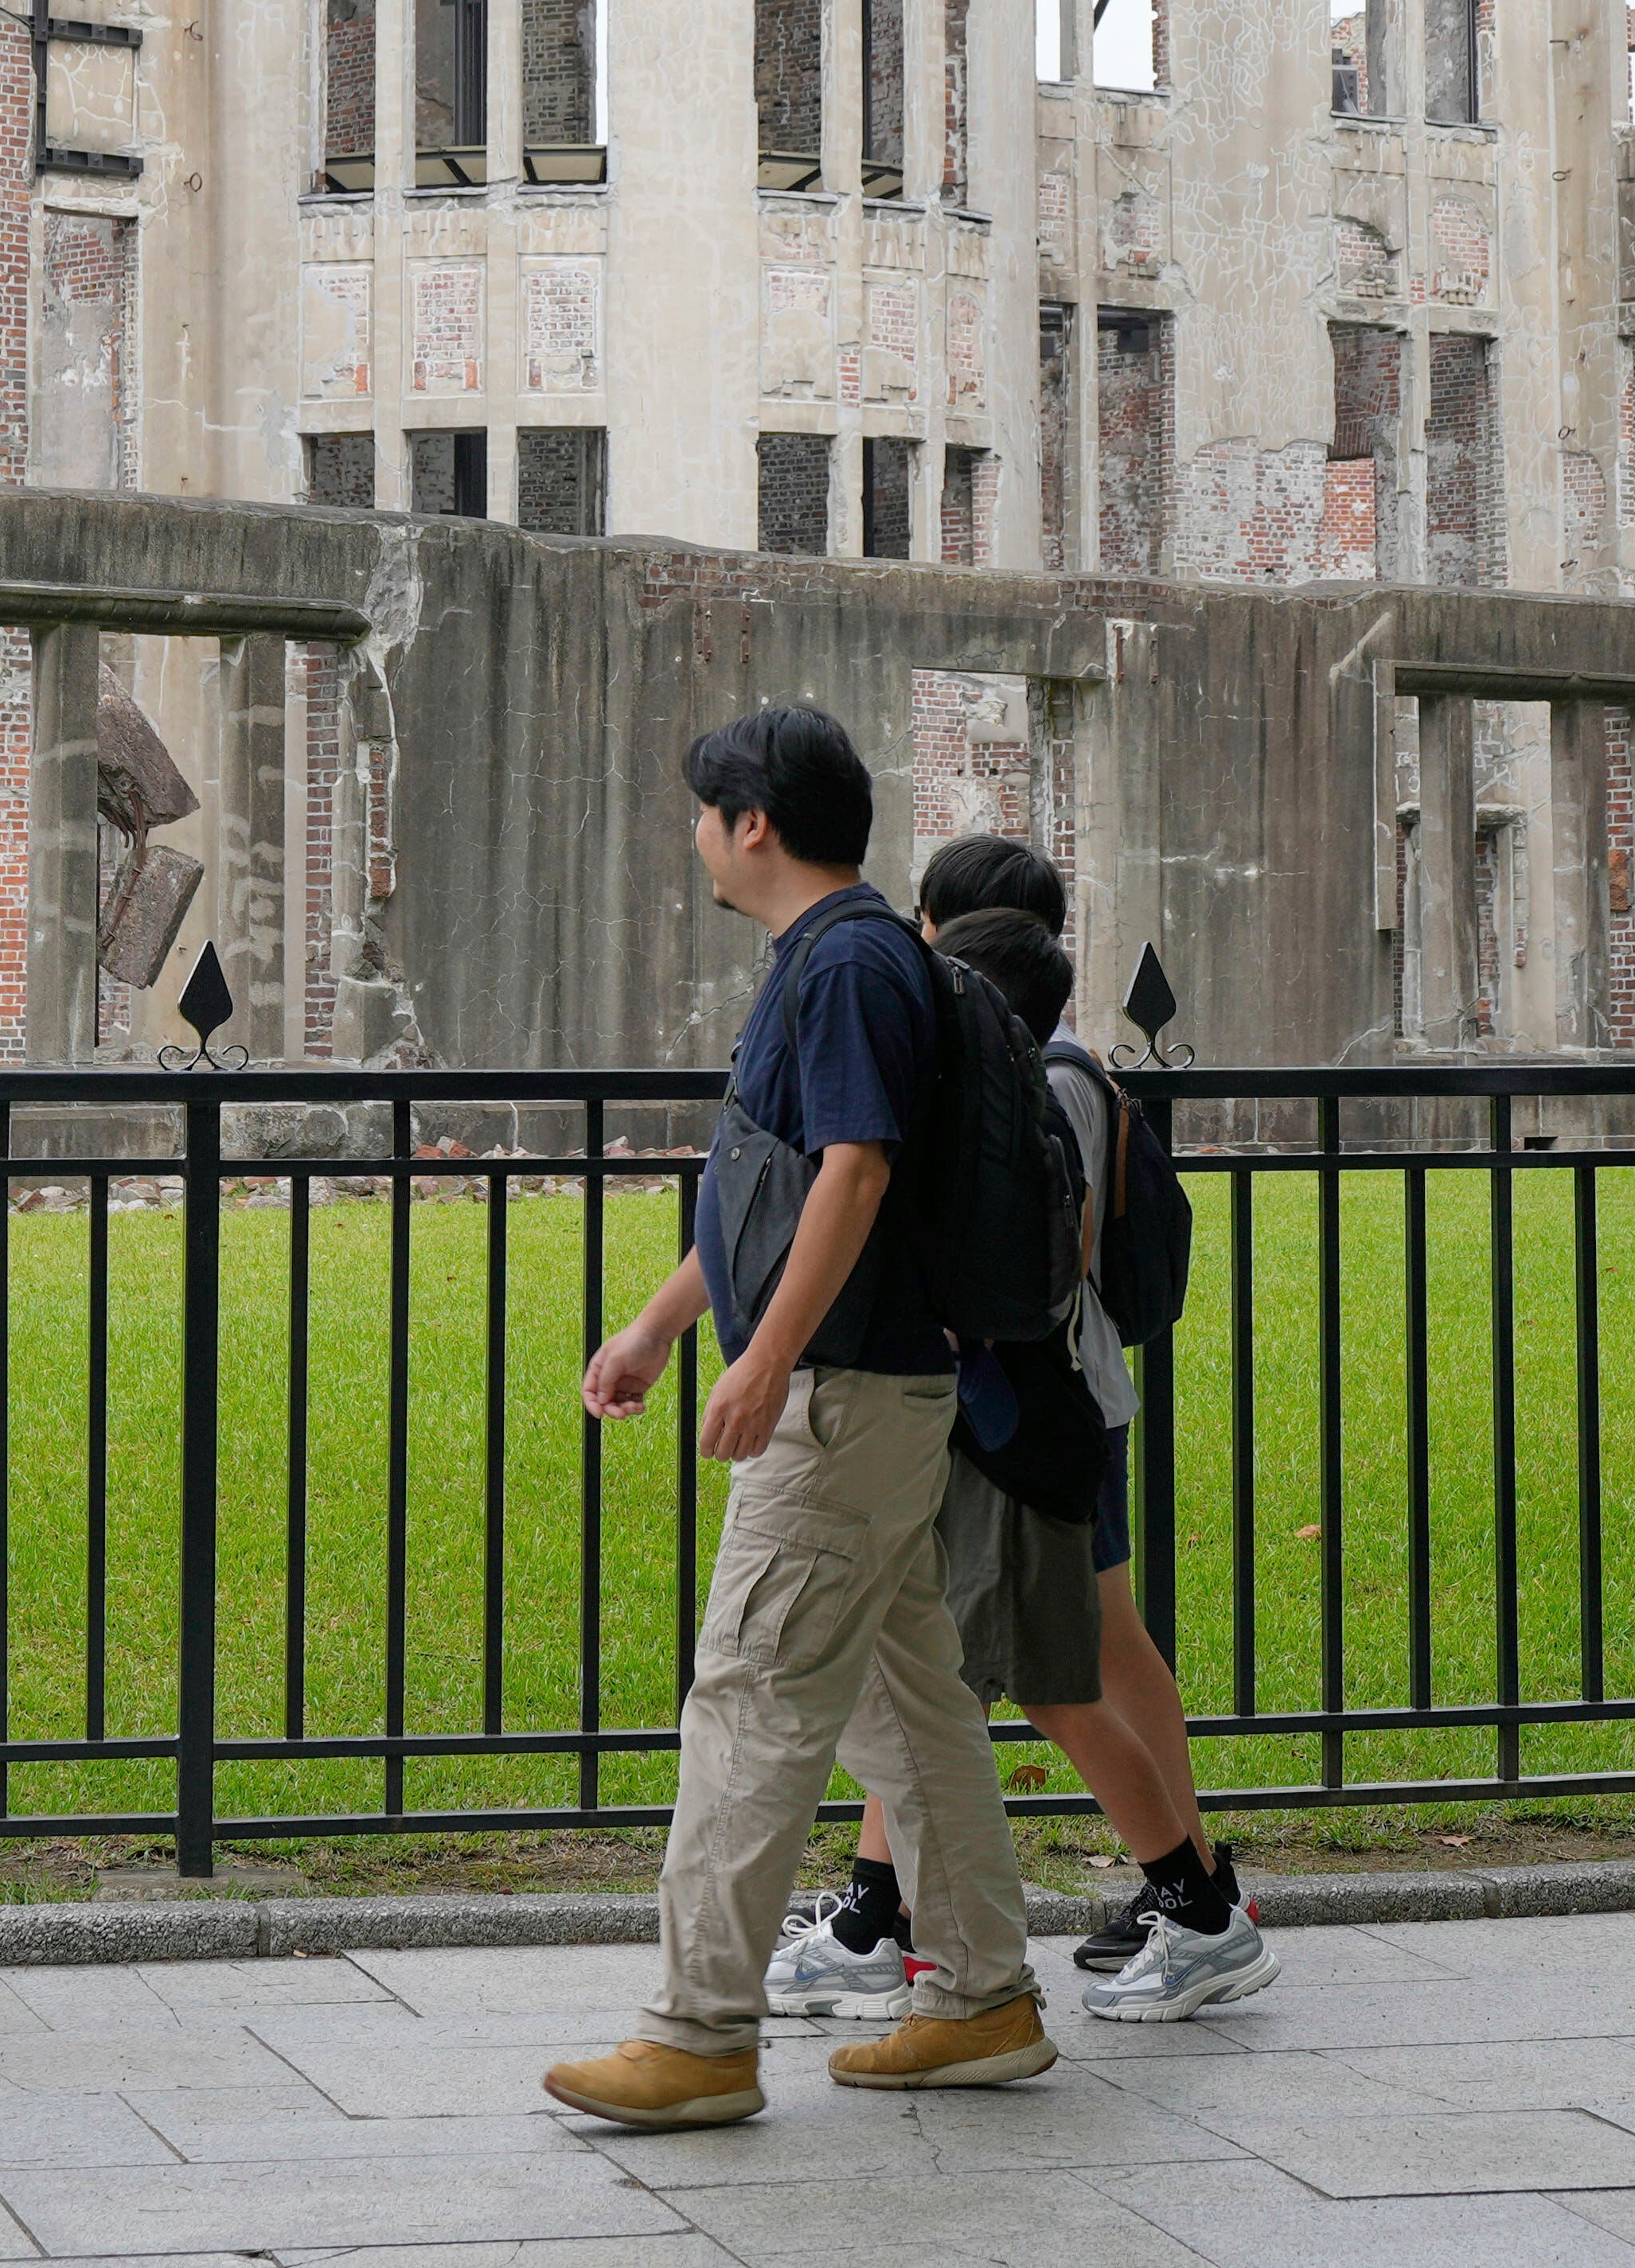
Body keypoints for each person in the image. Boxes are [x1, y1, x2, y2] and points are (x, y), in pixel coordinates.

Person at [541, 704, 1056, 2123]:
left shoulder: (844, 968)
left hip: (839, 1400)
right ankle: (984, 2001)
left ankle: (699, 2035)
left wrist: (763, 1361)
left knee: (753, 1700)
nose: (696, 833)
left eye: (706, 811)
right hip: (872, 1393)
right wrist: (660, 1324)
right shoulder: (850, 958)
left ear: (752, 824)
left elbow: (854, 1176)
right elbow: (778, 1193)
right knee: (907, 1708)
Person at [767, 840, 1268, 2022]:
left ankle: (1184, 1902)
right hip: (1041, 1407)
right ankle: (906, 1910)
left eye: (932, 934)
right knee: (1003, 1655)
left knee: (1020, 1665)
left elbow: (1040, 1261)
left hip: (1029, 1413)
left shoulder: (1044, 1079)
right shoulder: (1050, 1070)